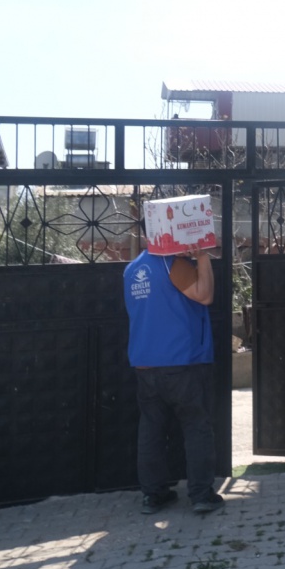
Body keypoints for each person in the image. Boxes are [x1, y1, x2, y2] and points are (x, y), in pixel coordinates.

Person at [123, 217, 224, 516]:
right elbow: (204, 295)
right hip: (182, 362)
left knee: (151, 430)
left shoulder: (131, 271)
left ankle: (153, 496)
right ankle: (202, 495)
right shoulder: (172, 264)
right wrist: (203, 256)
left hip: (144, 364)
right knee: (196, 427)